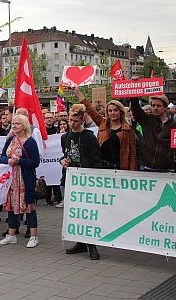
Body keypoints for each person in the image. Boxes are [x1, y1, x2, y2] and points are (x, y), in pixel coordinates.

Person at [60, 104, 103, 260]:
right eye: (70, 120)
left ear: (82, 119)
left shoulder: (89, 137)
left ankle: (91, 244)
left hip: (86, 181)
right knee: (75, 213)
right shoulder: (65, 137)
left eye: (76, 121)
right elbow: (65, 155)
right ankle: (80, 242)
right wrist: (62, 161)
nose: (72, 124)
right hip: (70, 180)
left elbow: (97, 160)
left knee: (87, 214)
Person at [0, 115, 40, 248]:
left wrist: (19, 161)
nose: (14, 126)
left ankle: (33, 236)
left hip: (25, 179)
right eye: (13, 123)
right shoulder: (10, 139)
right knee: (11, 206)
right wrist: (8, 161)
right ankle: (11, 235)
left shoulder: (30, 142)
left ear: (24, 125)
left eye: (17, 124)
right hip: (11, 180)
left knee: (29, 206)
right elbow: (3, 156)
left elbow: (35, 162)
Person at [76, 88, 137, 171]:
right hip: (103, 166)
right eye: (110, 111)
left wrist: (133, 172)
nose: (113, 113)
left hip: (121, 167)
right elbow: (89, 108)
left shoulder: (128, 129)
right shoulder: (102, 123)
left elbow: (133, 153)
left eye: (116, 110)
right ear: (107, 113)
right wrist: (77, 92)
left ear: (121, 112)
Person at [130, 93, 176, 172]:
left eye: (158, 106)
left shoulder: (174, 125)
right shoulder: (147, 120)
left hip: (166, 168)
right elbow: (135, 110)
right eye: (153, 105)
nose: (155, 108)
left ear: (165, 107)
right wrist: (134, 93)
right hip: (146, 166)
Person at [44, 112, 62, 206]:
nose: (49, 119)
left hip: (55, 157)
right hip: (46, 158)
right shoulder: (42, 130)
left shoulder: (56, 130)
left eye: (51, 117)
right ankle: (48, 199)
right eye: (47, 118)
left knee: (56, 178)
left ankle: (58, 197)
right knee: (48, 178)